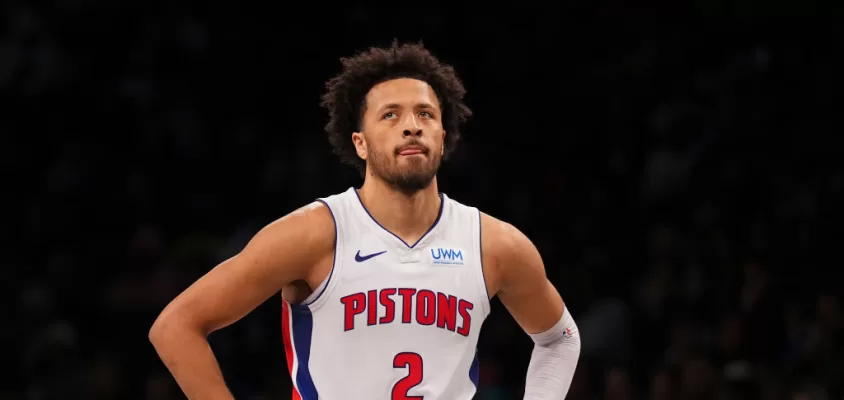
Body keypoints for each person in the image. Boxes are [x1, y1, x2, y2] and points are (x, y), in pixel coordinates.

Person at [149, 41, 581, 400]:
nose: (412, 126)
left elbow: (559, 339)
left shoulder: (495, 244)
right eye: (390, 115)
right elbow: (176, 327)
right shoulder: (314, 233)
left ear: (443, 137)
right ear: (360, 143)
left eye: (425, 114)